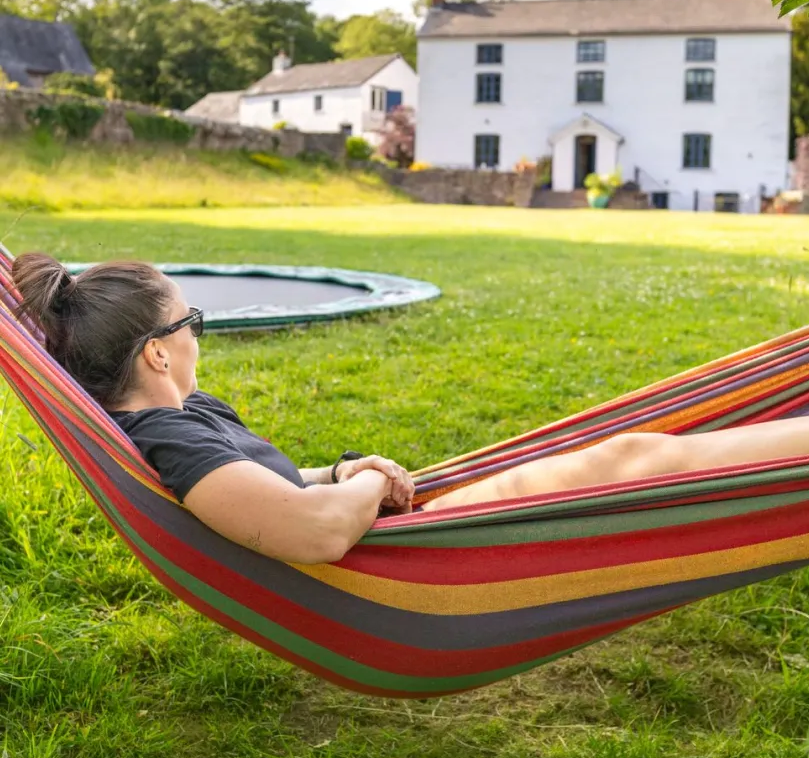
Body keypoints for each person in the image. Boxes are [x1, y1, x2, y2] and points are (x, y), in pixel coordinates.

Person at [12, 253, 809, 565]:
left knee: (611, 456)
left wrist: (343, 468)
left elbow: (275, 488)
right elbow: (314, 529)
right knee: (624, 461)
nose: (198, 334)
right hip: (389, 564)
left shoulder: (192, 417)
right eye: (193, 320)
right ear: (157, 350)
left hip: (392, 531)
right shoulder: (166, 440)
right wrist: (362, 488)